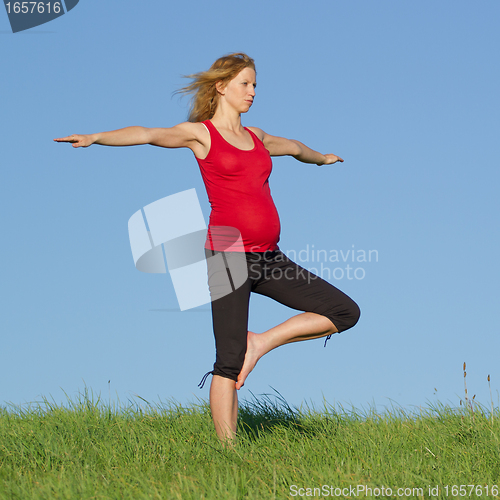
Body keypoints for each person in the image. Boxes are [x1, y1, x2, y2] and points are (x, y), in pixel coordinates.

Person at [54, 52, 360, 445]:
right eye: (245, 84)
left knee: (344, 311)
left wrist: (322, 160)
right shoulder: (201, 135)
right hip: (228, 255)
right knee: (228, 361)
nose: (252, 92)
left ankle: (261, 342)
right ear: (221, 86)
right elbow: (148, 133)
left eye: (254, 85)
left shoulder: (258, 138)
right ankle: (229, 452)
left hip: (269, 256)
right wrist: (97, 137)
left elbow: (295, 147)